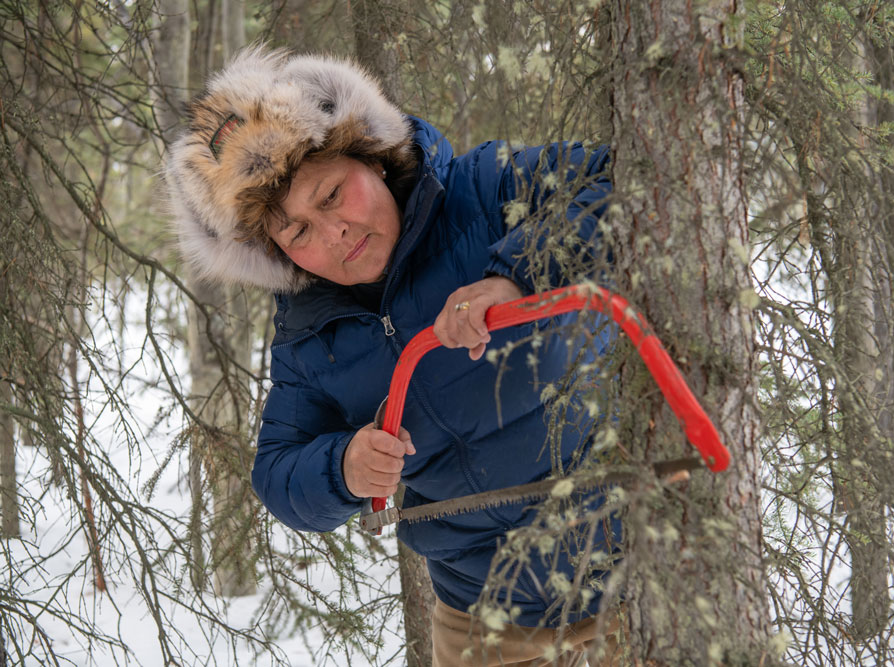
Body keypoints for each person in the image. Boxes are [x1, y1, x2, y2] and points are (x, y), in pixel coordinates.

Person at [166, 45, 621, 666]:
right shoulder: (309, 337)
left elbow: (617, 177)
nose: (334, 234)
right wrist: (343, 467)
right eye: (297, 232)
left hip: (635, 572)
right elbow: (276, 471)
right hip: (483, 618)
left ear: (373, 158)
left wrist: (514, 274)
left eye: (330, 196)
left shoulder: (482, 190)